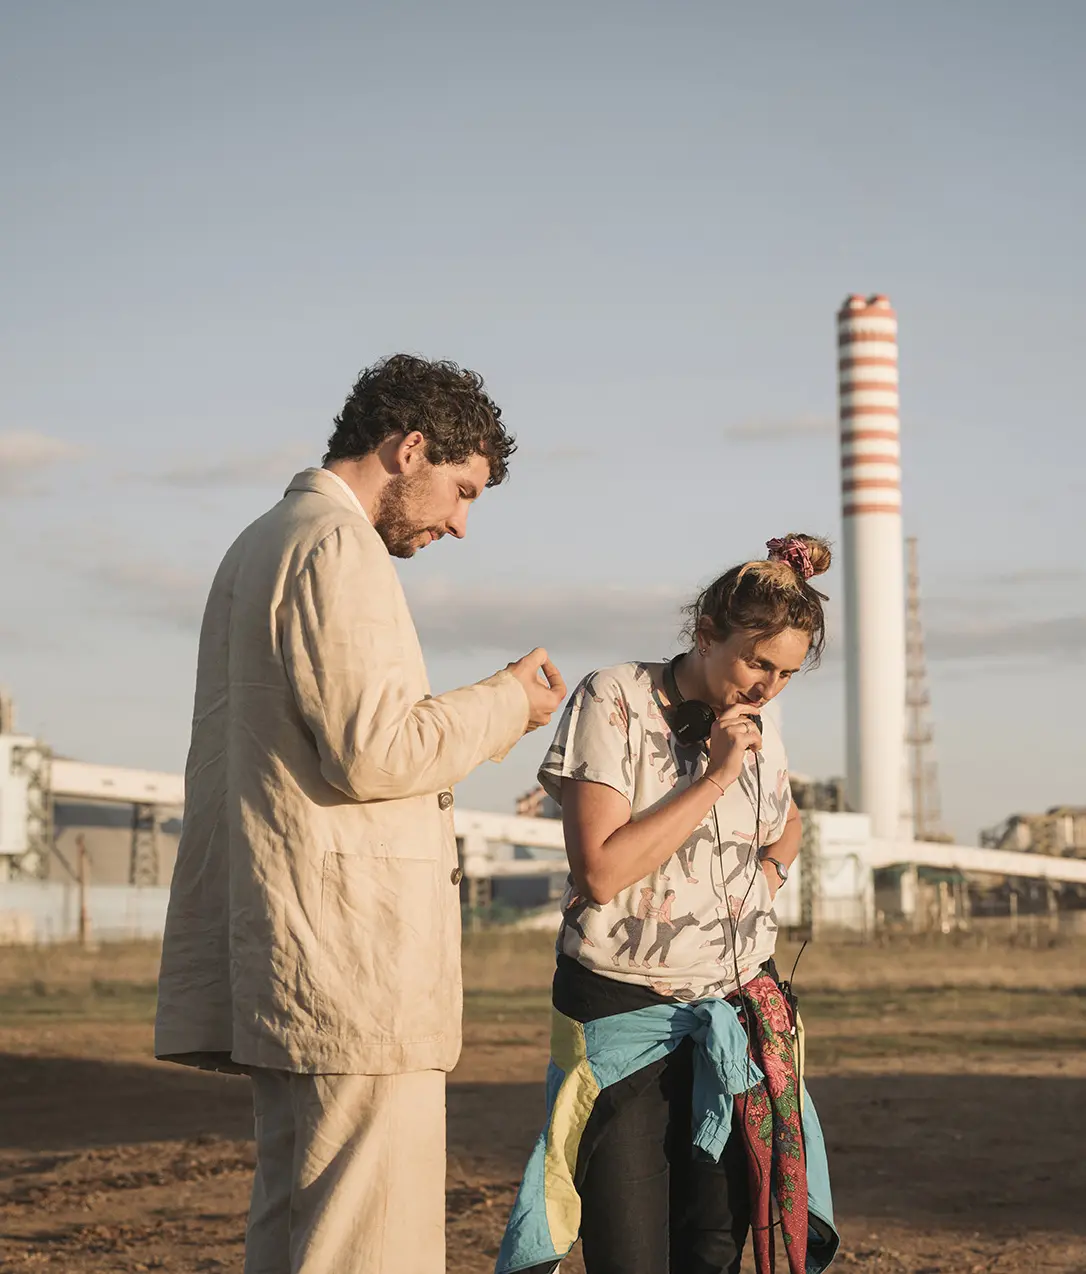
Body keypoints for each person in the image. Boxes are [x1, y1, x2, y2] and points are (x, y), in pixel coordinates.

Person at [153, 355, 566, 1274]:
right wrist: (505, 703)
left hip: (289, 949)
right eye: (460, 491)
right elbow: (377, 752)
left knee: (297, 1226)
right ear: (408, 448)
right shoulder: (339, 548)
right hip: (353, 963)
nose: (460, 524)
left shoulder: (260, 541)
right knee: (369, 1244)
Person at [496, 535, 839, 1274]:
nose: (767, 688)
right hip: (623, 1019)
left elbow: (788, 821)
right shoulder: (612, 699)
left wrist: (771, 875)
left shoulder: (761, 730)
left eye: (785, 673)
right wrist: (713, 778)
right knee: (628, 1252)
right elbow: (600, 872)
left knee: (712, 1250)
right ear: (706, 632)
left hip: (737, 1021)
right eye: (756, 662)